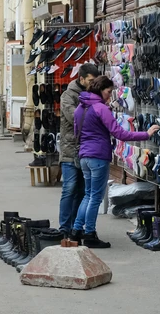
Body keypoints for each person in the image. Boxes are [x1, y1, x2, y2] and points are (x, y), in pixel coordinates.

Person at [71, 75, 157, 247]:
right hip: (98, 156)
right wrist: (145, 134)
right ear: (100, 90)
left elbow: (76, 132)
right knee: (95, 197)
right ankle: (90, 234)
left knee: (88, 195)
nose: (110, 96)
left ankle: (75, 232)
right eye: (108, 92)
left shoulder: (80, 108)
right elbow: (120, 133)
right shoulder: (101, 108)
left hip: (84, 156)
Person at [58, 63, 99, 238]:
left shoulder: (94, 95)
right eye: (90, 80)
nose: (93, 83)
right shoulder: (68, 95)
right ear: (81, 79)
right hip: (70, 149)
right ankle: (64, 228)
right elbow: (74, 116)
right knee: (69, 188)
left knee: (83, 190)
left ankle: (77, 227)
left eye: (95, 81)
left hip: (87, 149)